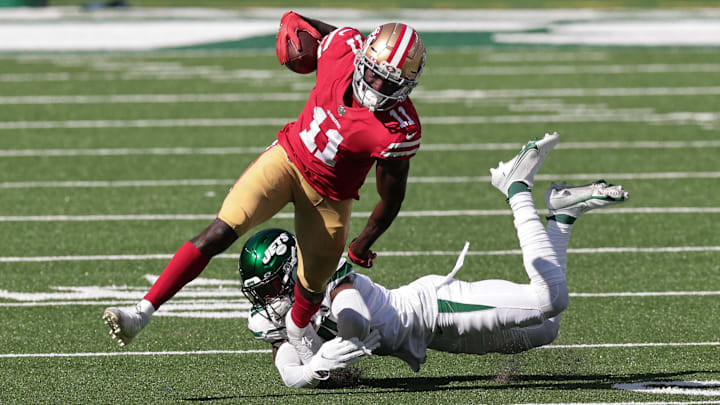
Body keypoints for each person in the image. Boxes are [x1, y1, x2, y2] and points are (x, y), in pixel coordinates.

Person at [102, 11, 427, 357]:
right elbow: (309, 24)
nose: (377, 88)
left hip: (329, 198)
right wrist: (292, 28)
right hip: (287, 160)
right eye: (375, 75)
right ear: (362, 57)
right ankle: (142, 312)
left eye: (389, 84)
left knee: (312, 289)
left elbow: (391, 199)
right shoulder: (341, 49)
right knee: (220, 230)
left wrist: (362, 244)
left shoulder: (398, 130)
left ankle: (299, 332)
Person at [239, 133, 630, 388]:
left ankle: (516, 188)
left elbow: (353, 314)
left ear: (294, 270)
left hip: (435, 307)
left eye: (272, 287)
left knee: (550, 301)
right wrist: (311, 368)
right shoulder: (274, 317)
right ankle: (562, 215)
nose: (268, 301)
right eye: (261, 292)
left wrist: (345, 339)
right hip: (435, 338)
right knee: (548, 330)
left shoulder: (325, 271)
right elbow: (288, 371)